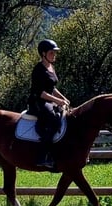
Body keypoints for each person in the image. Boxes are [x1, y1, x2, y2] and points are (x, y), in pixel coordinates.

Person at [27, 39, 70, 168]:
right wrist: (57, 101)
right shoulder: (38, 69)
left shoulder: (51, 67)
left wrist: (64, 98)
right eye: (52, 53)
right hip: (38, 102)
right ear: (43, 54)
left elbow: (52, 88)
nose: (54, 55)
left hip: (49, 100)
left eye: (54, 53)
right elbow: (40, 92)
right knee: (54, 119)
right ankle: (42, 156)